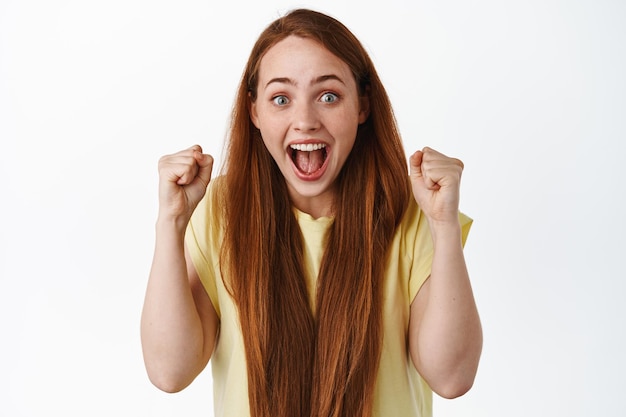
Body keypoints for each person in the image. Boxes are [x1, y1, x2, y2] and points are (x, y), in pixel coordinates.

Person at [140, 8, 482, 417]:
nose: (304, 121)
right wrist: (170, 223)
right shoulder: (221, 209)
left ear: (362, 106)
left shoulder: (414, 213)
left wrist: (443, 224)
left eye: (328, 96)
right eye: (281, 98)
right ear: (255, 113)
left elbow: (452, 377)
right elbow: (169, 371)